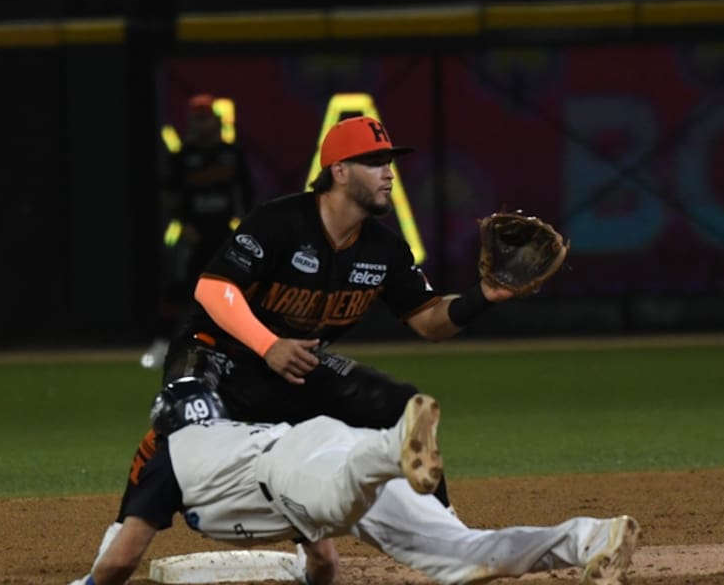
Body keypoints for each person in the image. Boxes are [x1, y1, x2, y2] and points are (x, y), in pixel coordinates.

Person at [153, 115, 525, 506]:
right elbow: (212, 289)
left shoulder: (385, 250)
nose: (388, 173)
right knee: (183, 430)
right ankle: (129, 532)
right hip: (215, 351)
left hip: (294, 367)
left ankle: (444, 529)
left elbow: (430, 321)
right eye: (375, 162)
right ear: (340, 171)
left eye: (390, 162)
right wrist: (269, 345)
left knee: (402, 408)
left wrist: (485, 293)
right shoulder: (280, 221)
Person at [51, 378, 640, 585]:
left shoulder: (170, 454)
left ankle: (395, 442)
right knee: (461, 559)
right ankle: (592, 539)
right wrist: (299, 575)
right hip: (324, 457)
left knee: (335, 495)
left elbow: (121, 559)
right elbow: (326, 563)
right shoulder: (225, 442)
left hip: (304, 468)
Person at [144, 93, 256, 370]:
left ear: (216, 121)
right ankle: (161, 345)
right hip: (193, 233)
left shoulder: (231, 154)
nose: (202, 124)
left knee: (236, 288)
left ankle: (241, 345)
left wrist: (244, 225)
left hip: (223, 232)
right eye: (197, 118)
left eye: (206, 118)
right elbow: (169, 196)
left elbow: (246, 192)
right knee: (178, 288)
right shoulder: (183, 157)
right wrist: (183, 223)